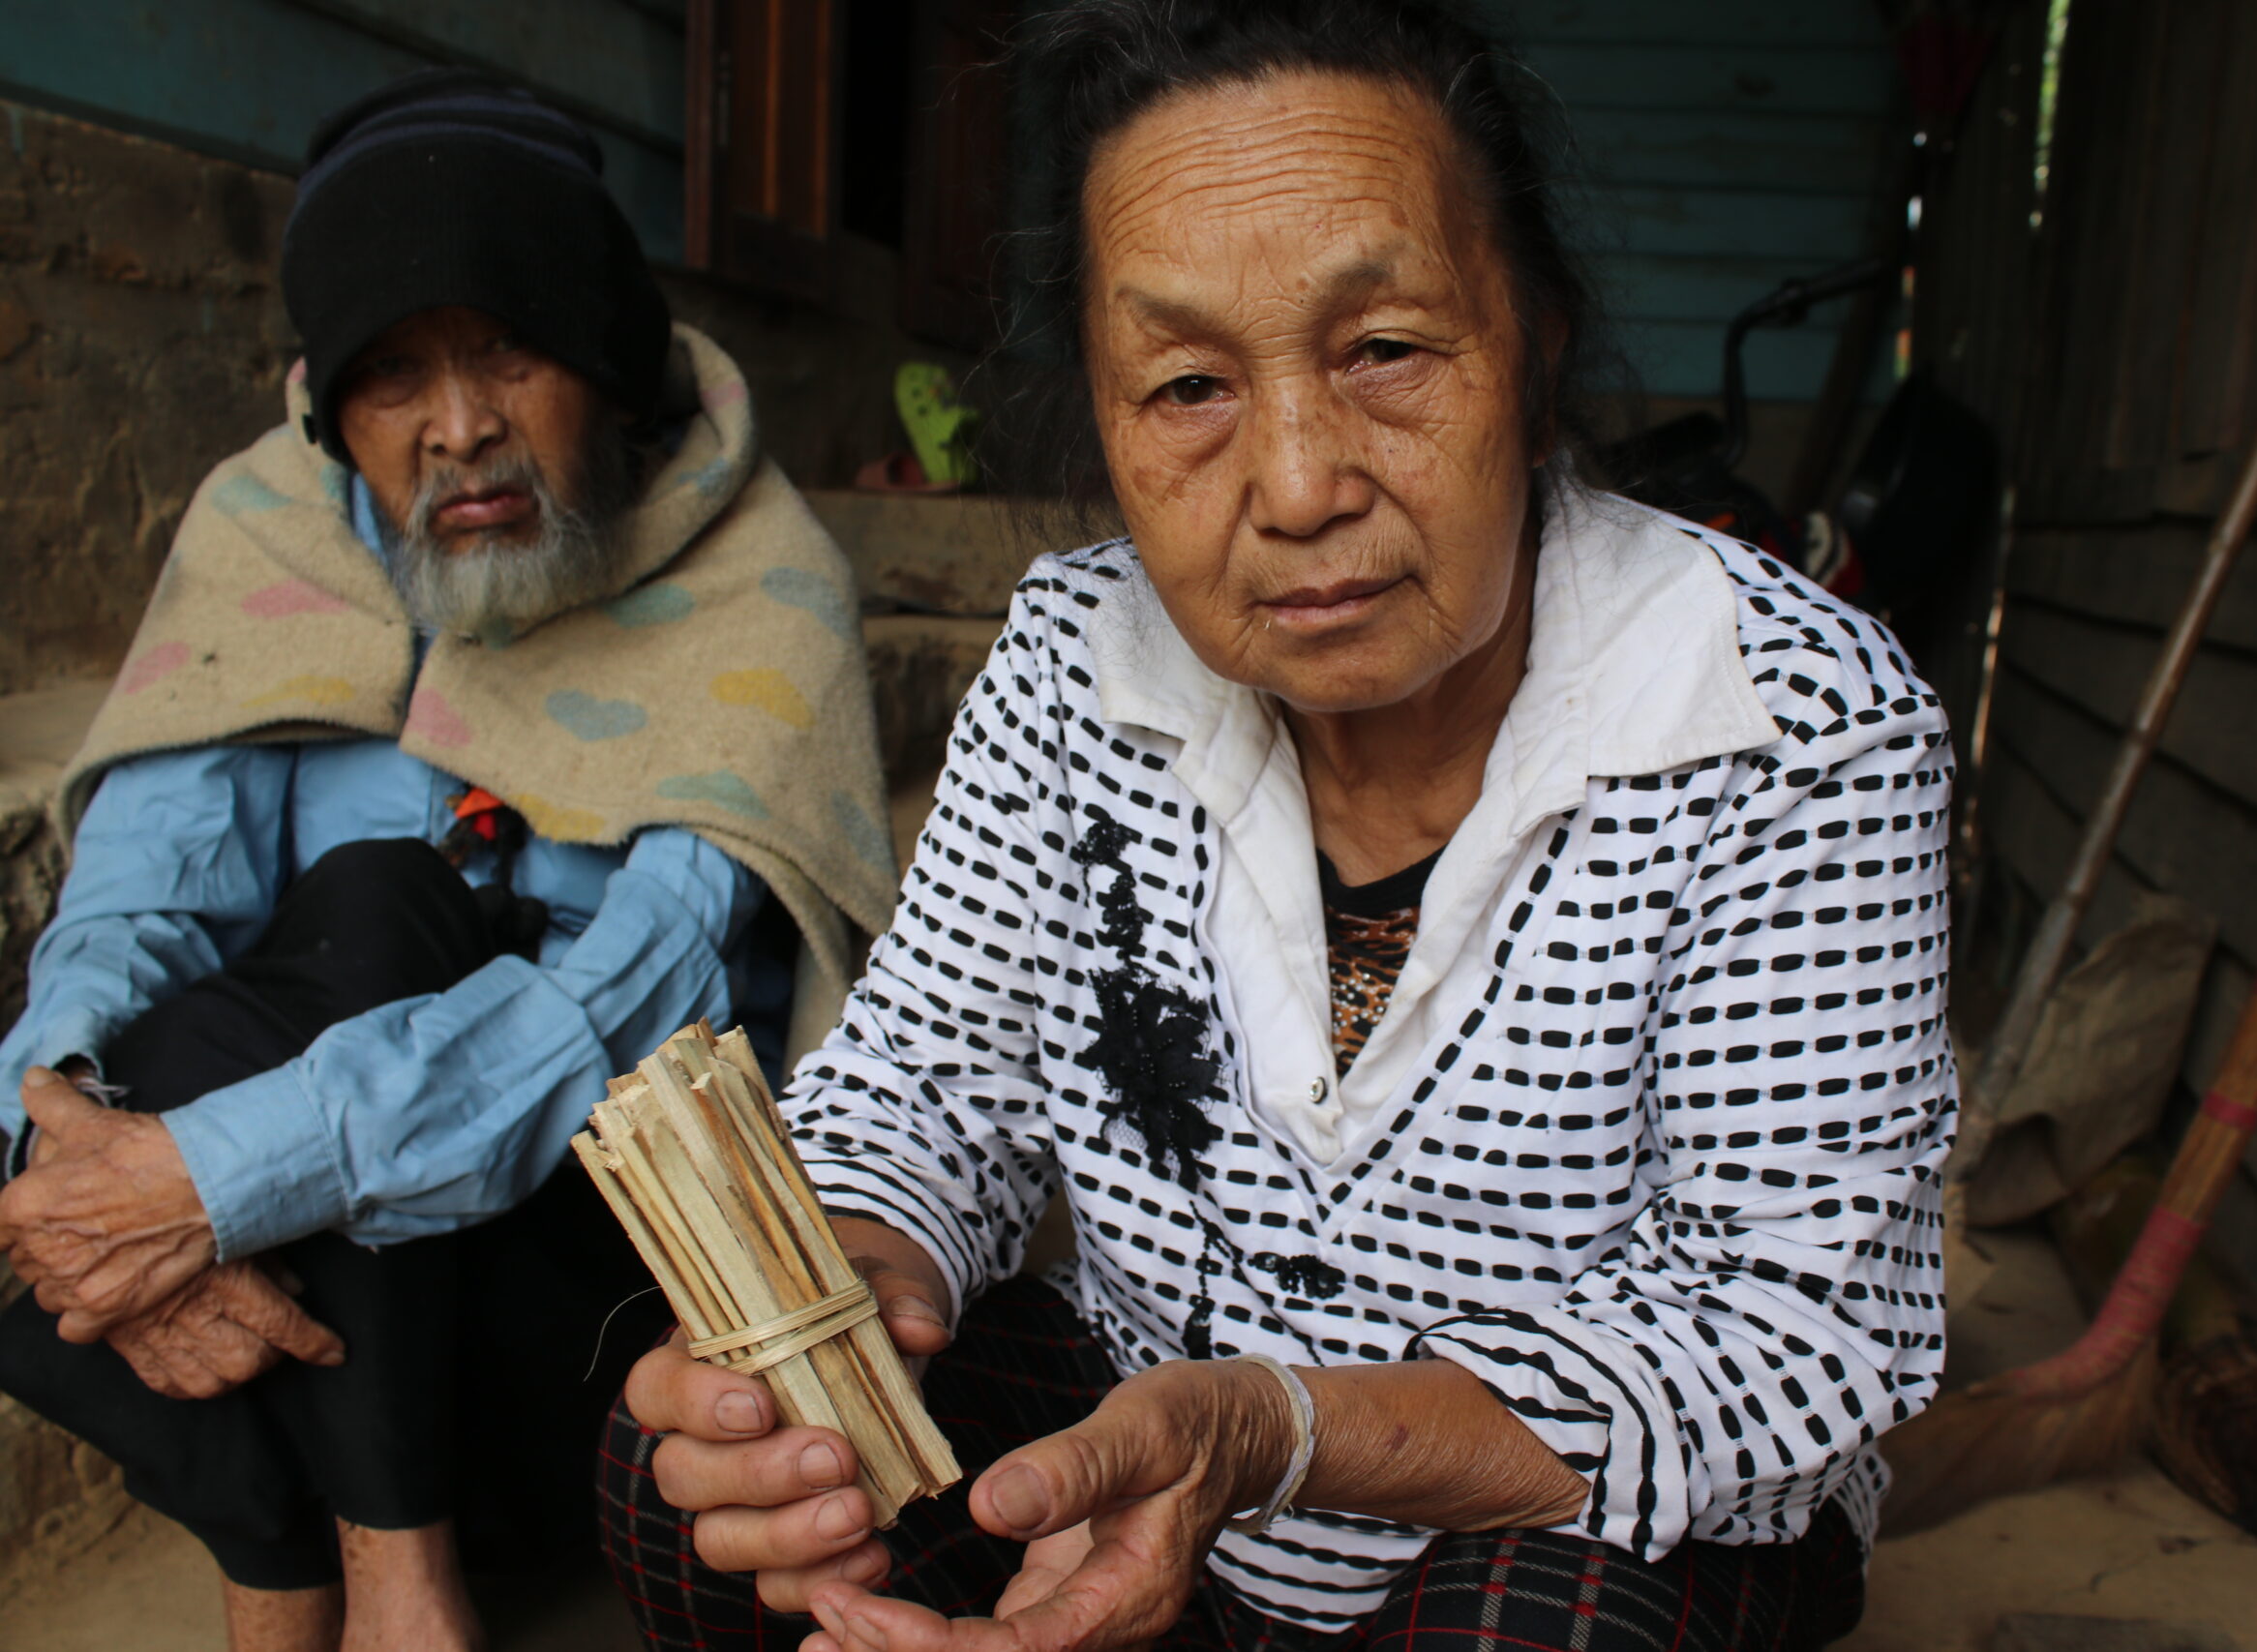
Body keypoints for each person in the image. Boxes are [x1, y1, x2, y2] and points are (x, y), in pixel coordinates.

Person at [606, 4, 1954, 1650]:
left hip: (1553, 1520)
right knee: (697, 1488)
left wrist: (1275, 1428)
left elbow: (1792, 1328)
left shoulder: (1782, 720)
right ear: (1104, 421)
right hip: (1142, 1449)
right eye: (1187, 385)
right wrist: (827, 1304)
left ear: (1534, 353)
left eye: (1386, 350)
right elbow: (926, 1089)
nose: (1302, 485)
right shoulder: (1079, 662)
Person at [0, 71, 893, 1652]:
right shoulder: (269, 535)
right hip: (320, 1312)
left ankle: (389, 1580)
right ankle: (295, 1562)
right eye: (394, 372)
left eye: (513, 351)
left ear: (610, 365)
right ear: (326, 408)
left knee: (379, 912)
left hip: (593, 1305)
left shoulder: (759, 585)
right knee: (93, 1082)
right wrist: (68, 1137)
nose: (460, 425)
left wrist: (215, 1178)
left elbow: (622, 1023)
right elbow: (139, 900)